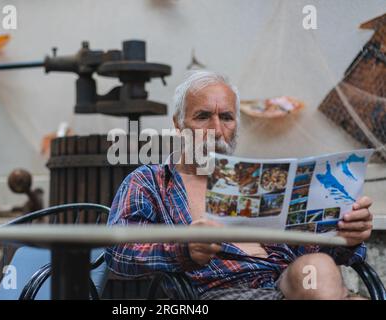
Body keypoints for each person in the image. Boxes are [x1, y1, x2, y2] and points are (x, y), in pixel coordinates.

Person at [105, 70, 373, 300]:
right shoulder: (151, 181)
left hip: (287, 282)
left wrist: (346, 236)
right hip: (223, 290)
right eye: (202, 116)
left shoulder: (260, 179)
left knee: (319, 265)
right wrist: (182, 250)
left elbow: (312, 249)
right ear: (178, 123)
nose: (217, 129)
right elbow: (119, 251)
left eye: (226, 118)